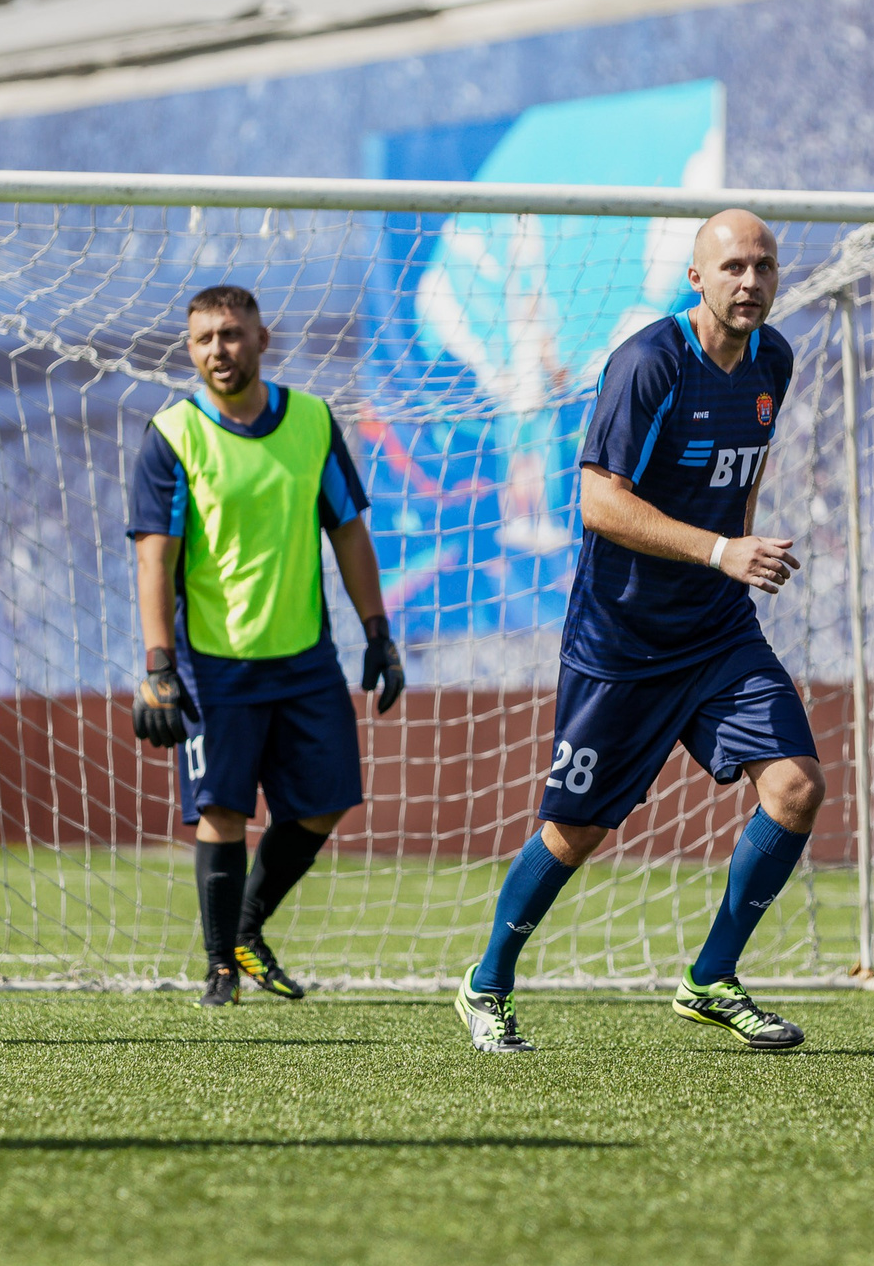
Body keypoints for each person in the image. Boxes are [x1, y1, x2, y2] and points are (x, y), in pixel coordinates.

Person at [455, 208, 822, 1055]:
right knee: (576, 831)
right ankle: (487, 982)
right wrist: (723, 549)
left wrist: (736, 561)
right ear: (697, 276)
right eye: (732, 267)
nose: (750, 281)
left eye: (763, 266)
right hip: (622, 640)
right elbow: (596, 502)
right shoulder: (647, 363)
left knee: (797, 788)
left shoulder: (775, 358)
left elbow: (746, 470)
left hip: (719, 629)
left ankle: (711, 978)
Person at [127, 284, 404, 1007]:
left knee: (327, 799)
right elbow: (154, 555)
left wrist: (378, 630)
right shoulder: (173, 433)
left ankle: (247, 927)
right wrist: (159, 664)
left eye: (231, 333)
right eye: (204, 340)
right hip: (211, 661)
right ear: (191, 352)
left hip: (307, 656)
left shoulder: (311, 419)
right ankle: (221, 965)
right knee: (221, 808)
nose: (218, 350)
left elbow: (347, 528)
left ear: (261, 337)